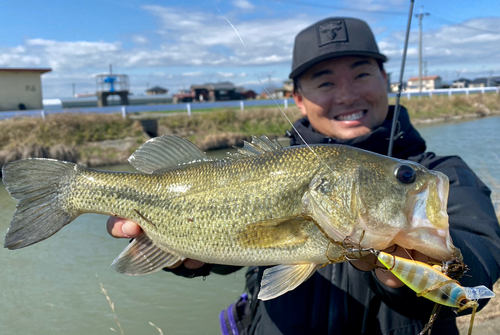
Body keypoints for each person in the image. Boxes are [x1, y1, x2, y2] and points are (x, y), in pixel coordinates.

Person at [107, 18, 500, 334]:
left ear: (385, 79)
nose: (345, 95)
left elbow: (479, 253)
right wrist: (184, 253)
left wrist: (437, 266)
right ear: (298, 97)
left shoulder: (439, 171)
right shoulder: (267, 168)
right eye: (325, 82)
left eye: (361, 75)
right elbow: (236, 251)